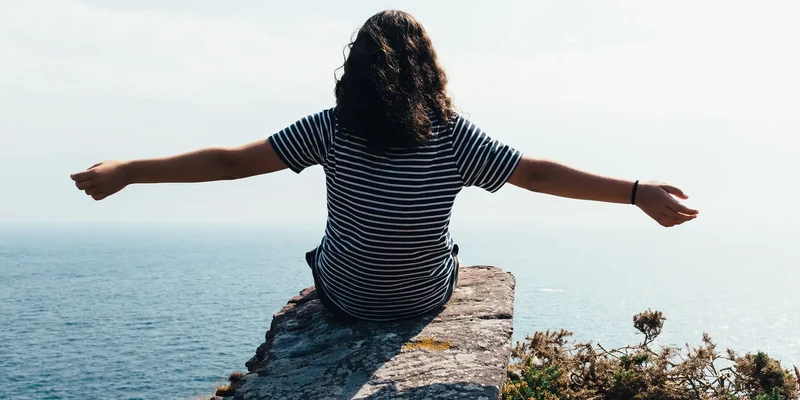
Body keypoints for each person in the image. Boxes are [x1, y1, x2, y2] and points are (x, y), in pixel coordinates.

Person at [70, 10, 698, 322]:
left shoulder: (331, 129)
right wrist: (636, 191)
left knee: (328, 255)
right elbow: (535, 173)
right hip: (422, 298)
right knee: (445, 250)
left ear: (357, 75)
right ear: (429, 73)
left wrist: (129, 169)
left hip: (346, 298)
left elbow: (231, 163)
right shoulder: (453, 139)